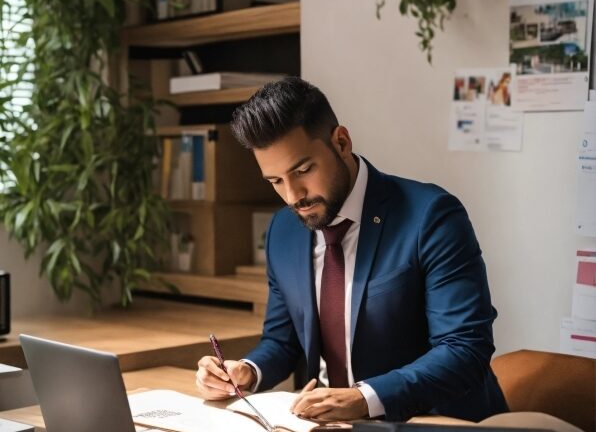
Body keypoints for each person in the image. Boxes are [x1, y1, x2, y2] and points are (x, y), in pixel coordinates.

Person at [195, 77, 508, 422]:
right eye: (275, 181)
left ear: (341, 142)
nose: (292, 195)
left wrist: (365, 398)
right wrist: (246, 371)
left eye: (303, 170)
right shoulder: (283, 231)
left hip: (433, 421)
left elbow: (464, 349)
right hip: (328, 424)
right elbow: (282, 341)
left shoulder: (431, 216)